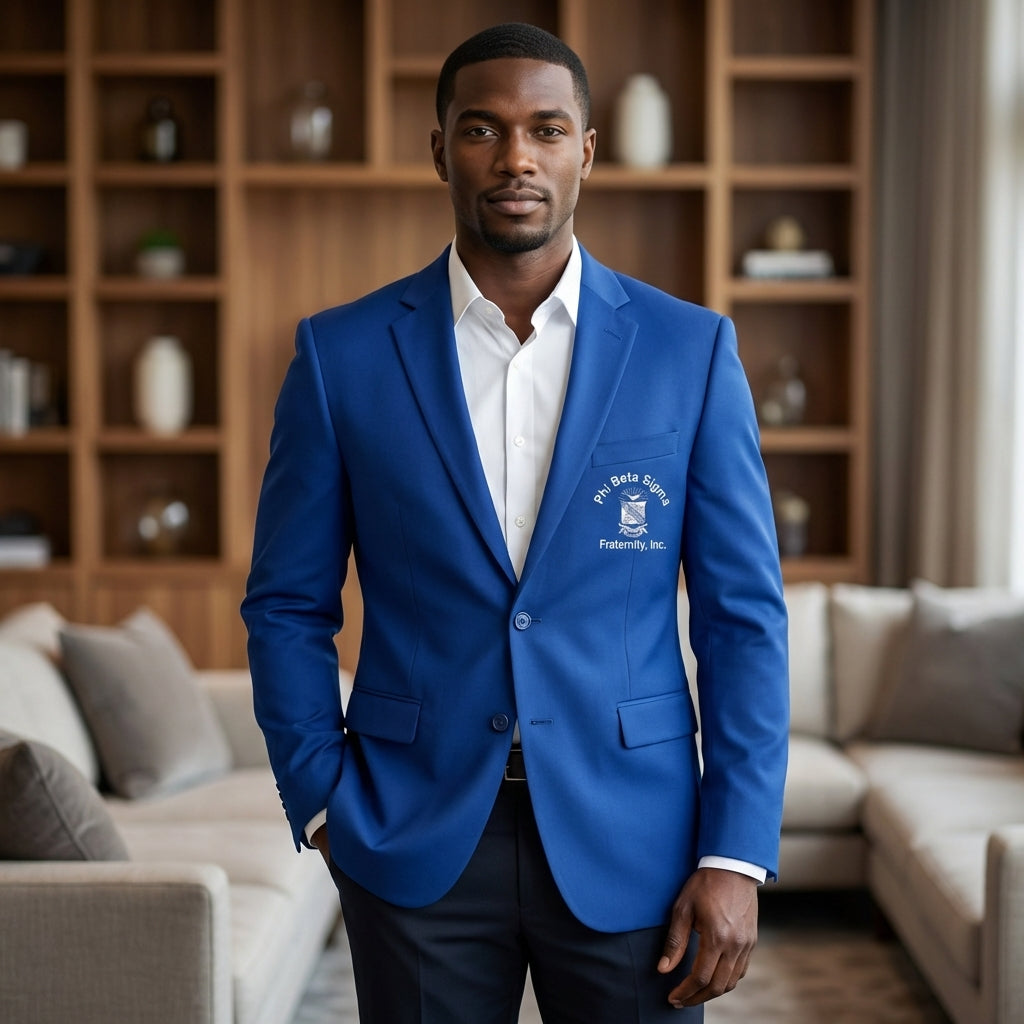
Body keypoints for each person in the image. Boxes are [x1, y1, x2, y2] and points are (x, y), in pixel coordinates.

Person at [242, 22, 789, 1024]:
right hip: (411, 837)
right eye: (484, 130)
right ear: (440, 148)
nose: (516, 158)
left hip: (639, 838)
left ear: (585, 150)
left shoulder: (689, 351)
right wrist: (322, 802)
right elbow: (285, 603)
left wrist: (734, 851)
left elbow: (742, 617)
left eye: (546, 129)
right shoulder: (341, 356)